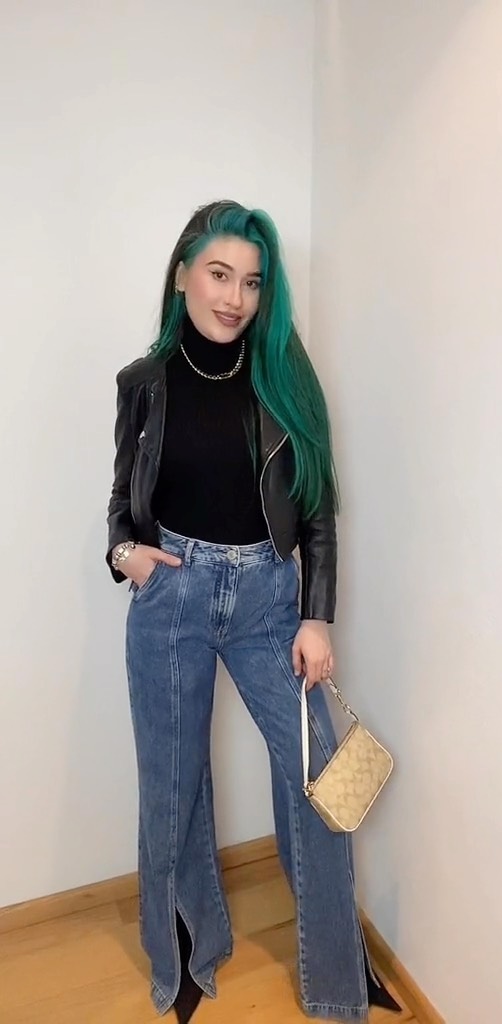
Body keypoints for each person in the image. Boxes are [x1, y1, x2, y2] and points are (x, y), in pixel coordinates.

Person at [106, 200, 401, 1021]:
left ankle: (339, 978)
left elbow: (318, 508)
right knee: (172, 788)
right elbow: (122, 499)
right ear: (183, 276)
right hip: (172, 593)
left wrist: (316, 616)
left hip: (269, 597)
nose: (235, 297)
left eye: (252, 282)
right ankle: (188, 956)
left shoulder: (285, 378)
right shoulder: (142, 384)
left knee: (321, 780)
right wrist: (125, 554)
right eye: (219, 274)